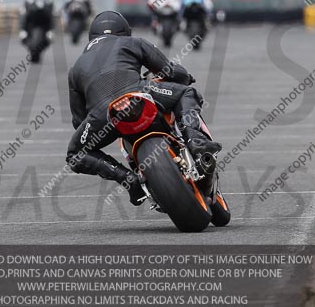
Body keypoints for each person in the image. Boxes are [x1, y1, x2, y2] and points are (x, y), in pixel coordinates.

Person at [66, 11, 221, 205]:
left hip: (103, 114)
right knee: (186, 93)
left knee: (75, 154)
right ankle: (195, 140)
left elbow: (78, 120)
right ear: (124, 31)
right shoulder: (133, 42)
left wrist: (95, 124)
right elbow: (169, 71)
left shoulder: (76, 67)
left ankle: (127, 179)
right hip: (139, 92)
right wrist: (185, 77)